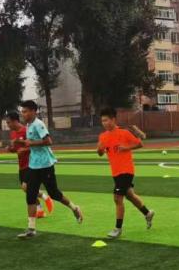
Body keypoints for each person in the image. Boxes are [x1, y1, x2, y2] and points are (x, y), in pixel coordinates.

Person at [13, 100, 83, 239]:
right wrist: (23, 144)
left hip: (45, 165)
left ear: (33, 111)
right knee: (30, 196)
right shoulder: (29, 125)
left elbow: (48, 141)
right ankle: (31, 229)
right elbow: (32, 144)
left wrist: (31, 143)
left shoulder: (38, 124)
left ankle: (75, 208)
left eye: (25, 111)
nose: (23, 114)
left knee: (54, 194)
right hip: (33, 165)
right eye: (22, 112)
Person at [97, 108, 154, 238]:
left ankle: (118, 228)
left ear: (113, 119)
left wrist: (126, 147)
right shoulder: (103, 136)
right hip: (116, 172)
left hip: (126, 170)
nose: (104, 123)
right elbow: (100, 153)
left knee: (117, 198)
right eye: (102, 121)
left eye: (106, 120)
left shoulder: (124, 133)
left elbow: (140, 144)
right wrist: (99, 149)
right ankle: (147, 213)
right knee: (130, 195)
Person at [6, 111, 53, 218]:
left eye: (8, 122)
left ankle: (44, 198)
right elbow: (17, 149)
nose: (7, 125)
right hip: (22, 165)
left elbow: (34, 146)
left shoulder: (26, 130)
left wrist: (25, 150)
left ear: (15, 121)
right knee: (26, 190)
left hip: (31, 164)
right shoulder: (13, 133)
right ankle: (40, 209)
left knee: (26, 187)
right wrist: (11, 149)